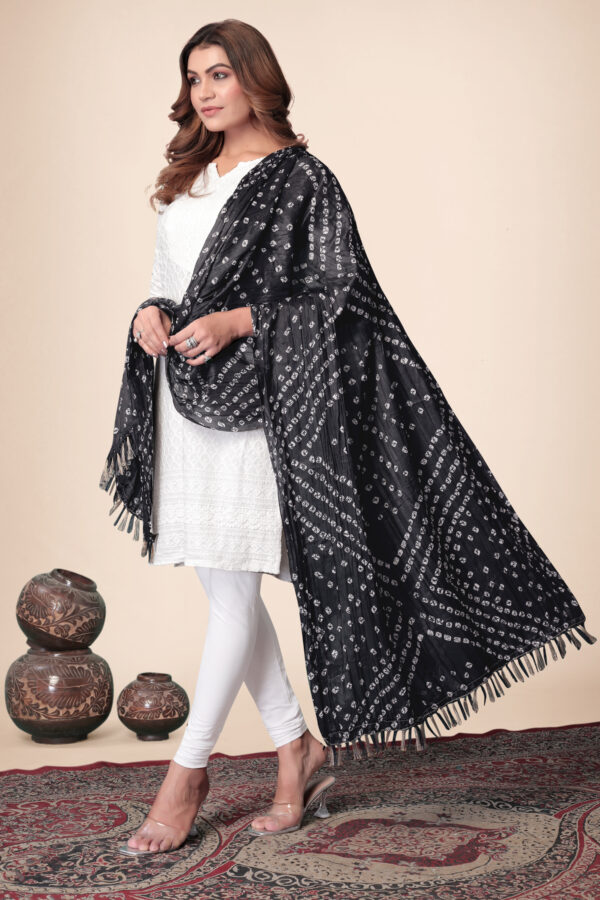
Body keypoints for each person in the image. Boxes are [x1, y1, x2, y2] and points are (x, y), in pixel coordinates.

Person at [117, 20, 334, 856]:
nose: (204, 91)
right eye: (193, 77)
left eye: (218, 74)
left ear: (254, 79)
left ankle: (187, 772)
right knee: (228, 597)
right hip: (184, 400)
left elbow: (337, 295)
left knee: (235, 596)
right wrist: (150, 314)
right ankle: (297, 750)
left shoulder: (300, 179)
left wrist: (238, 320)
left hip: (255, 408)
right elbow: (166, 284)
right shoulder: (188, 180)